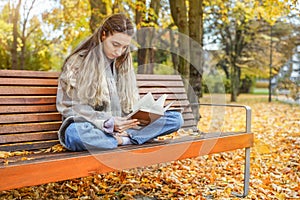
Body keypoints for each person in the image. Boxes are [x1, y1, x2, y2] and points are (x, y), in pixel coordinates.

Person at [56, 13, 183, 151]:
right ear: (103, 35)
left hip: (124, 126)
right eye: (115, 44)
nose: (118, 52)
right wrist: (108, 122)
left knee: (175, 119)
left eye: (124, 47)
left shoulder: (123, 64)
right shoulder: (77, 62)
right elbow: (70, 106)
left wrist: (141, 115)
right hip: (93, 126)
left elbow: (130, 104)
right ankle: (125, 140)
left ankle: (121, 139)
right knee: (75, 134)